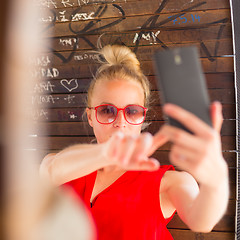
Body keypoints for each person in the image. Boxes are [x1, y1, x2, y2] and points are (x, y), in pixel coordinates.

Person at [40, 45, 229, 240]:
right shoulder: (64, 168)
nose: (120, 123)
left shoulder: (168, 183)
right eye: (107, 111)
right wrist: (106, 154)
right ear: (90, 116)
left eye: (132, 112)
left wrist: (216, 180)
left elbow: (202, 221)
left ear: (143, 118)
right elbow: (49, 171)